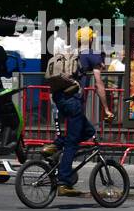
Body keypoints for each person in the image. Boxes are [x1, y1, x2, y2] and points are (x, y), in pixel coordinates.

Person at [42, 34, 112, 197]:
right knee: (72, 144)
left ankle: (57, 145)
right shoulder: (92, 55)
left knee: (88, 132)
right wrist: (106, 109)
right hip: (73, 101)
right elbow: (99, 84)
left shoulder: (72, 52)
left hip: (60, 98)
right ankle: (64, 182)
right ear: (92, 40)